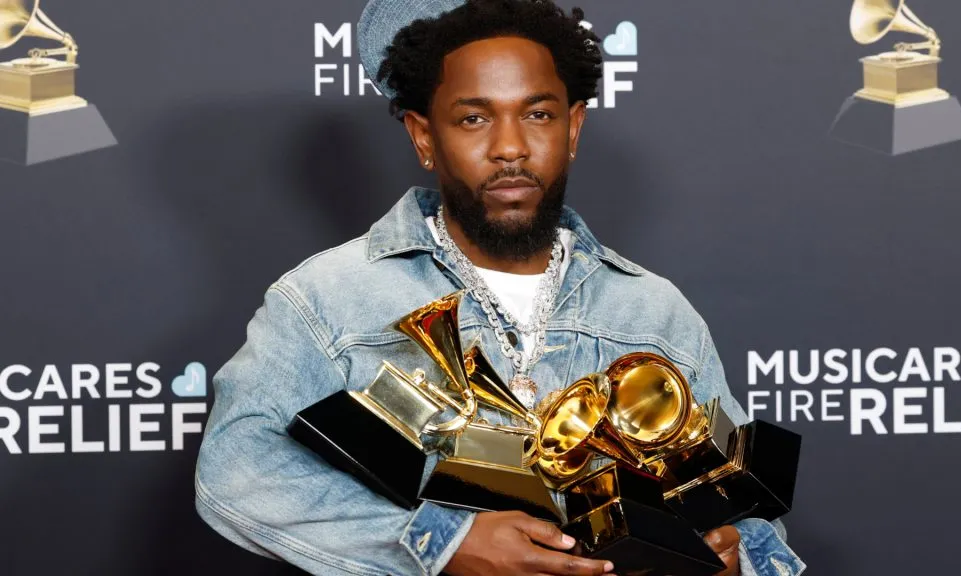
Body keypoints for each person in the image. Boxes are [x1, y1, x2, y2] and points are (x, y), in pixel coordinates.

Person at [194, 1, 805, 575]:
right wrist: (440, 545)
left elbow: (744, 514)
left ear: (573, 127)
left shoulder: (654, 310)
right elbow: (236, 470)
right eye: (474, 118)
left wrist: (737, 559)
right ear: (424, 137)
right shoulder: (326, 299)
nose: (510, 147)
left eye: (537, 114)